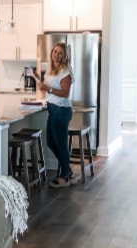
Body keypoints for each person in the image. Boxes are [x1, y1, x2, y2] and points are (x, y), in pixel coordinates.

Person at [36, 42, 79, 188]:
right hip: (53, 109)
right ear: (51, 53)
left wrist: (47, 88)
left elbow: (65, 93)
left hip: (61, 110)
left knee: (60, 144)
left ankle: (64, 177)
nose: (57, 55)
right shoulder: (50, 69)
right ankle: (68, 172)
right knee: (51, 142)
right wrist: (39, 81)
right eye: (55, 52)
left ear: (64, 56)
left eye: (60, 53)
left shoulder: (65, 71)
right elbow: (48, 89)